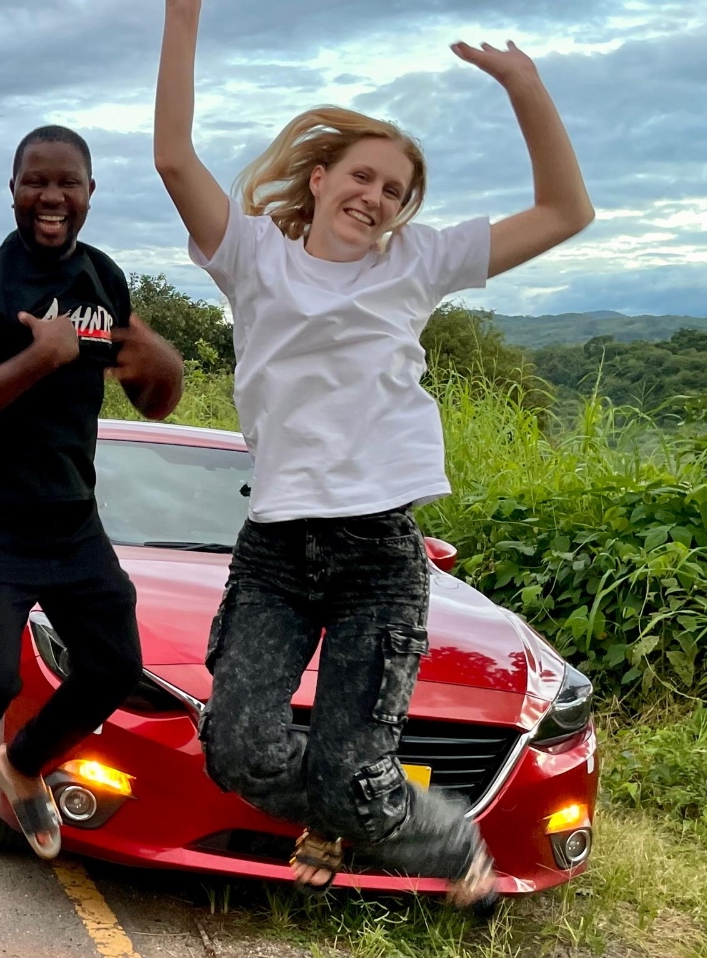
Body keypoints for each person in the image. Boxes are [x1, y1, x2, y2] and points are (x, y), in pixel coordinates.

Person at [154, 0, 594, 905]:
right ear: (317, 178)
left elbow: (564, 210)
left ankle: (409, 827)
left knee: (363, 771)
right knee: (237, 750)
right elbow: (171, 156)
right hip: (275, 550)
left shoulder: (416, 264)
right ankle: (348, 808)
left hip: (378, 555)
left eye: (396, 191)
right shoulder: (248, 257)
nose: (377, 198)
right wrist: (182, 14)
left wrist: (527, 88)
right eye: (363, 176)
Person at [0, 126, 185, 901]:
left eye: (67, 183)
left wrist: (162, 361)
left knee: (114, 667)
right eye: (36, 182)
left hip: (71, 520)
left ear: (90, 193)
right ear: (12, 189)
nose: (51, 198)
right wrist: (40, 357)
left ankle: (23, 762)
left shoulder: (105, 280)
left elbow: (153, 397)